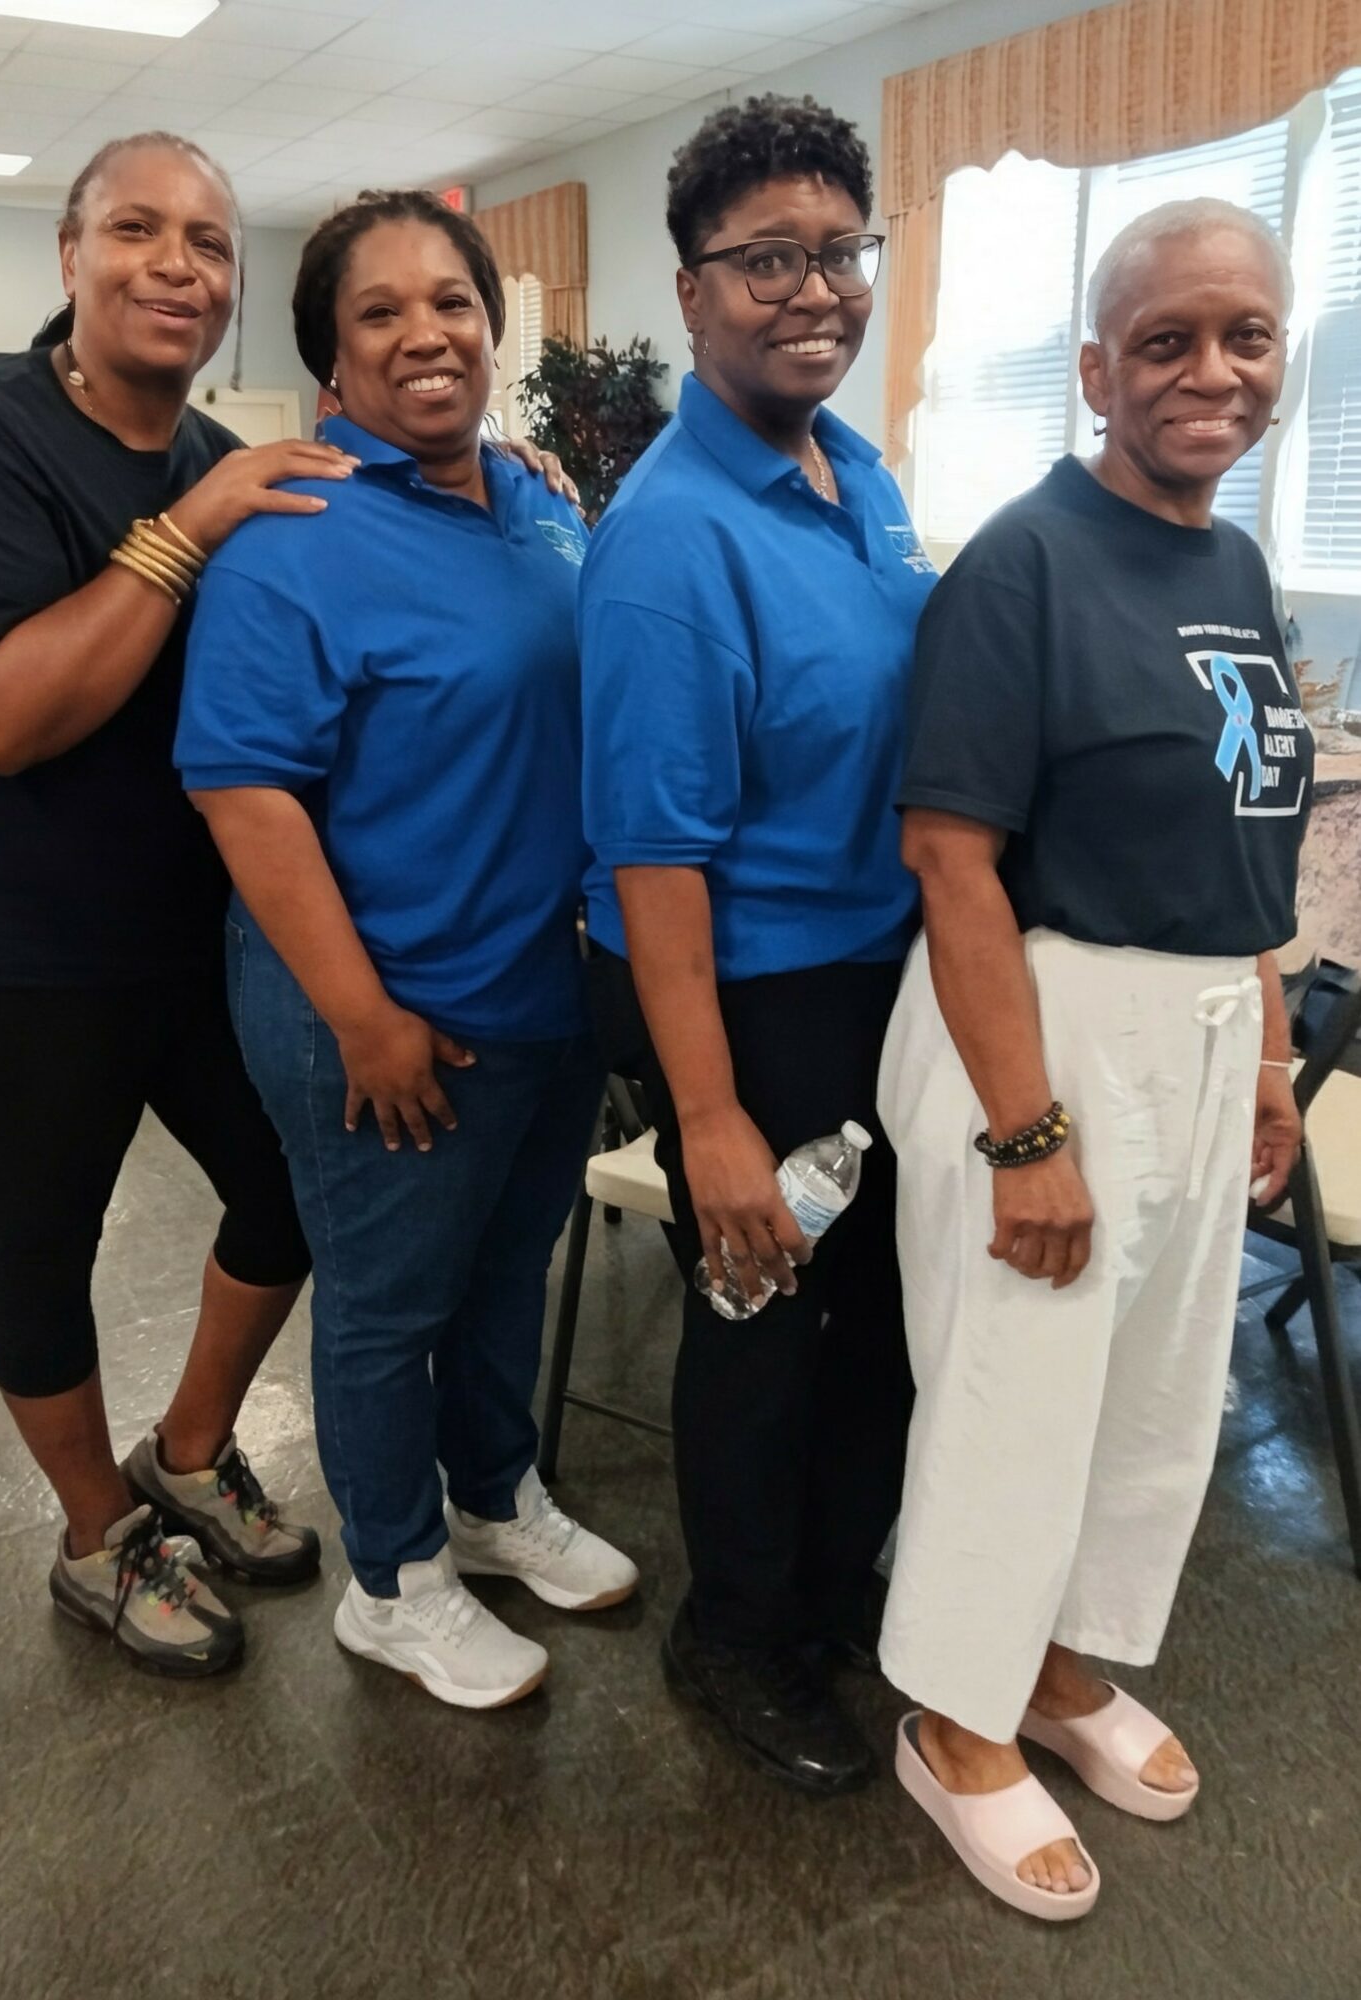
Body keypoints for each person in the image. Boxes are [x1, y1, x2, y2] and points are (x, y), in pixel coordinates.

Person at [0, 132, 344, 1676]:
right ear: (67, 257)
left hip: (178, 926)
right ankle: (97, 1535)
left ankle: (188, 1451)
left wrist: (497, 473)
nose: (176, 263)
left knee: (290, 1188)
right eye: (136, 228)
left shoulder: (213, 453)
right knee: (43, 1243)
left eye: (209, 240)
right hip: (3, 943)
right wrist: (191, 534)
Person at [879, 198, 1308, 1920]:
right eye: (1165, 342)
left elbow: (1240, 841)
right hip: (1044, 1031)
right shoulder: (1024, 565)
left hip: (1204, 1025)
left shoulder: (1239, 562)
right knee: (1015, 1397)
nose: (1211, 372)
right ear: (1095, 372)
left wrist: (1268, 1051)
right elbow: (949, 859)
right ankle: (950, 1723)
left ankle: (1056, 1668)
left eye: (1247, 337)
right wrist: (1024, 1131)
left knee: (1148, 1398)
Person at [175, 190, 638, 1714]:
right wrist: (361, 1013)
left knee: (507, 1268)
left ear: (491, 325)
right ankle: (394, 1578)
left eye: (450, 301)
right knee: (389, 1303)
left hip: (538, 988)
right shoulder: (292, 534)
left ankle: (493, 1500)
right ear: (330, 358)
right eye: (379, 313)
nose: (425, 333)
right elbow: (243, 788)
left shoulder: (535, 504)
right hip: (374, 1005)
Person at [578, 95, 934, 1790]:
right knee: (762, 1322)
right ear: (692, 287)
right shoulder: (667, 537)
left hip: (886, 976)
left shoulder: (853, 471)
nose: (815, 291)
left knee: (872, 1318)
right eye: (767, 258)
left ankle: (825, 1594)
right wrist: (708, 1116)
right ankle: (735, 1633)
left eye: (840, 252)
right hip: (757, 991)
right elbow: (653, 863)